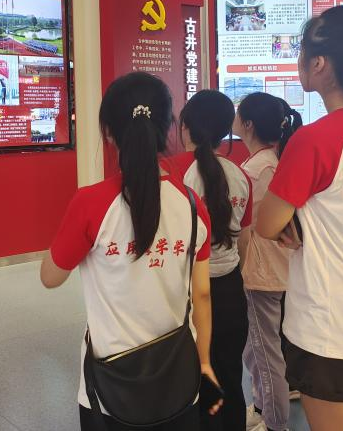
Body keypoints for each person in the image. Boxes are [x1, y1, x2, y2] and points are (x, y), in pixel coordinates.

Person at [40, 72, 220, 431]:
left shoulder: (90, 204)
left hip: (109, 388)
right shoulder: (191, 204)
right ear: (167, 128)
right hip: (179, 378)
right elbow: (201, 293)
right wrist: (204, 364)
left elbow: (50, 277)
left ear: (108, 132)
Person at [256, 6, 343, 431]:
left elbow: (266, 224)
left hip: (329, 329)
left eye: (301, 52)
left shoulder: (314, 139)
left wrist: (293, 221)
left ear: (319, 64)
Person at [171, 89, 252, 431]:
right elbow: (244, 241)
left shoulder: (171, 171)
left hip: (185, 292)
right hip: (231, 290)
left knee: (190, 383)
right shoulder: (240, 174)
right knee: (230, 377)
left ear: (185, 126)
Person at [233, 93, 302, 431]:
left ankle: (276, 423)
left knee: (264, 351)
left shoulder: (257, 169)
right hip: (268, 267)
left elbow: (246, 224)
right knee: (257, 349)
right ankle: (262, 408)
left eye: (238, 113)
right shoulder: (268, 162)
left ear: (248, 124)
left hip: (259, 271)